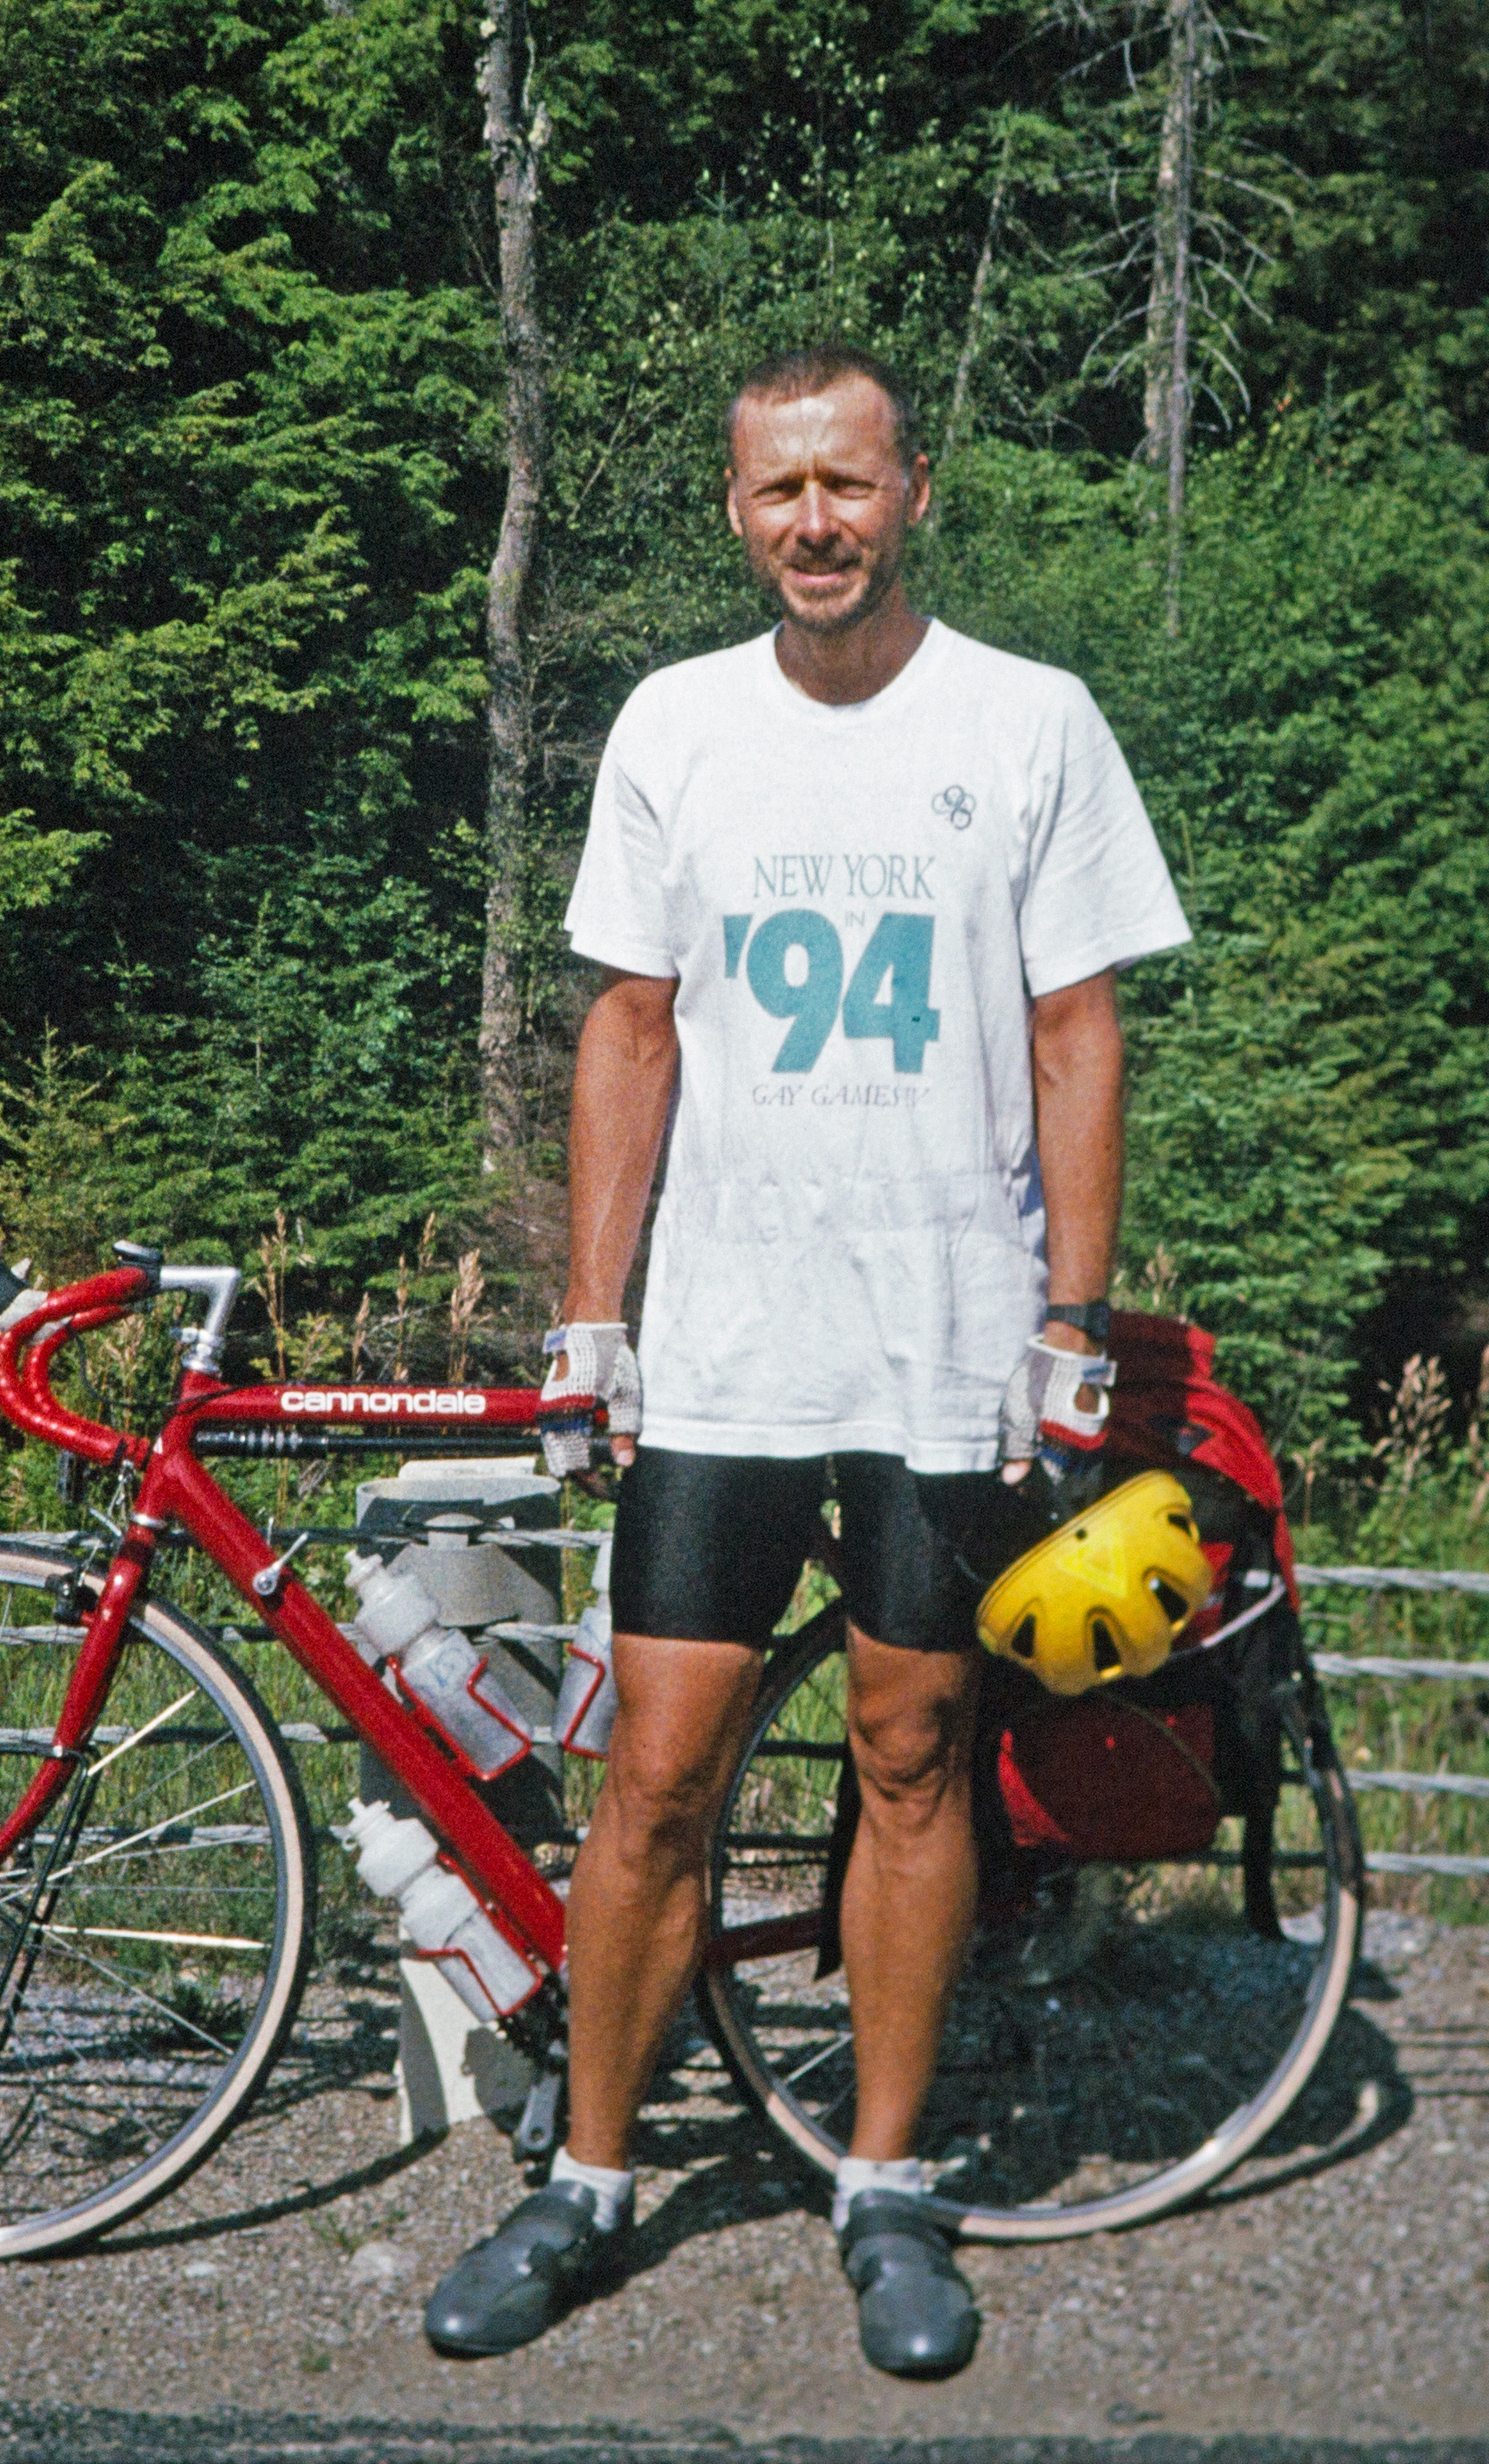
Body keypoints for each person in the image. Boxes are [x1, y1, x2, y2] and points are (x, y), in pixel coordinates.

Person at [421, 346, 1189, 2378]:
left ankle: (887, 2184)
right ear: (735, 512)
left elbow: (1079, 1035)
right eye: (779, 494)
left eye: (847, 484)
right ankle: (585, 2181)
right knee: (654, 1773)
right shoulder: (676, 722)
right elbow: (629, 1029)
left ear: (910, 488)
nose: (816, 524)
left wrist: (1069, 1328)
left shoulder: (1029, 720)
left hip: (947, 1354)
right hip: (728, 1355)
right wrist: (595, 1320)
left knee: (913, 1759)